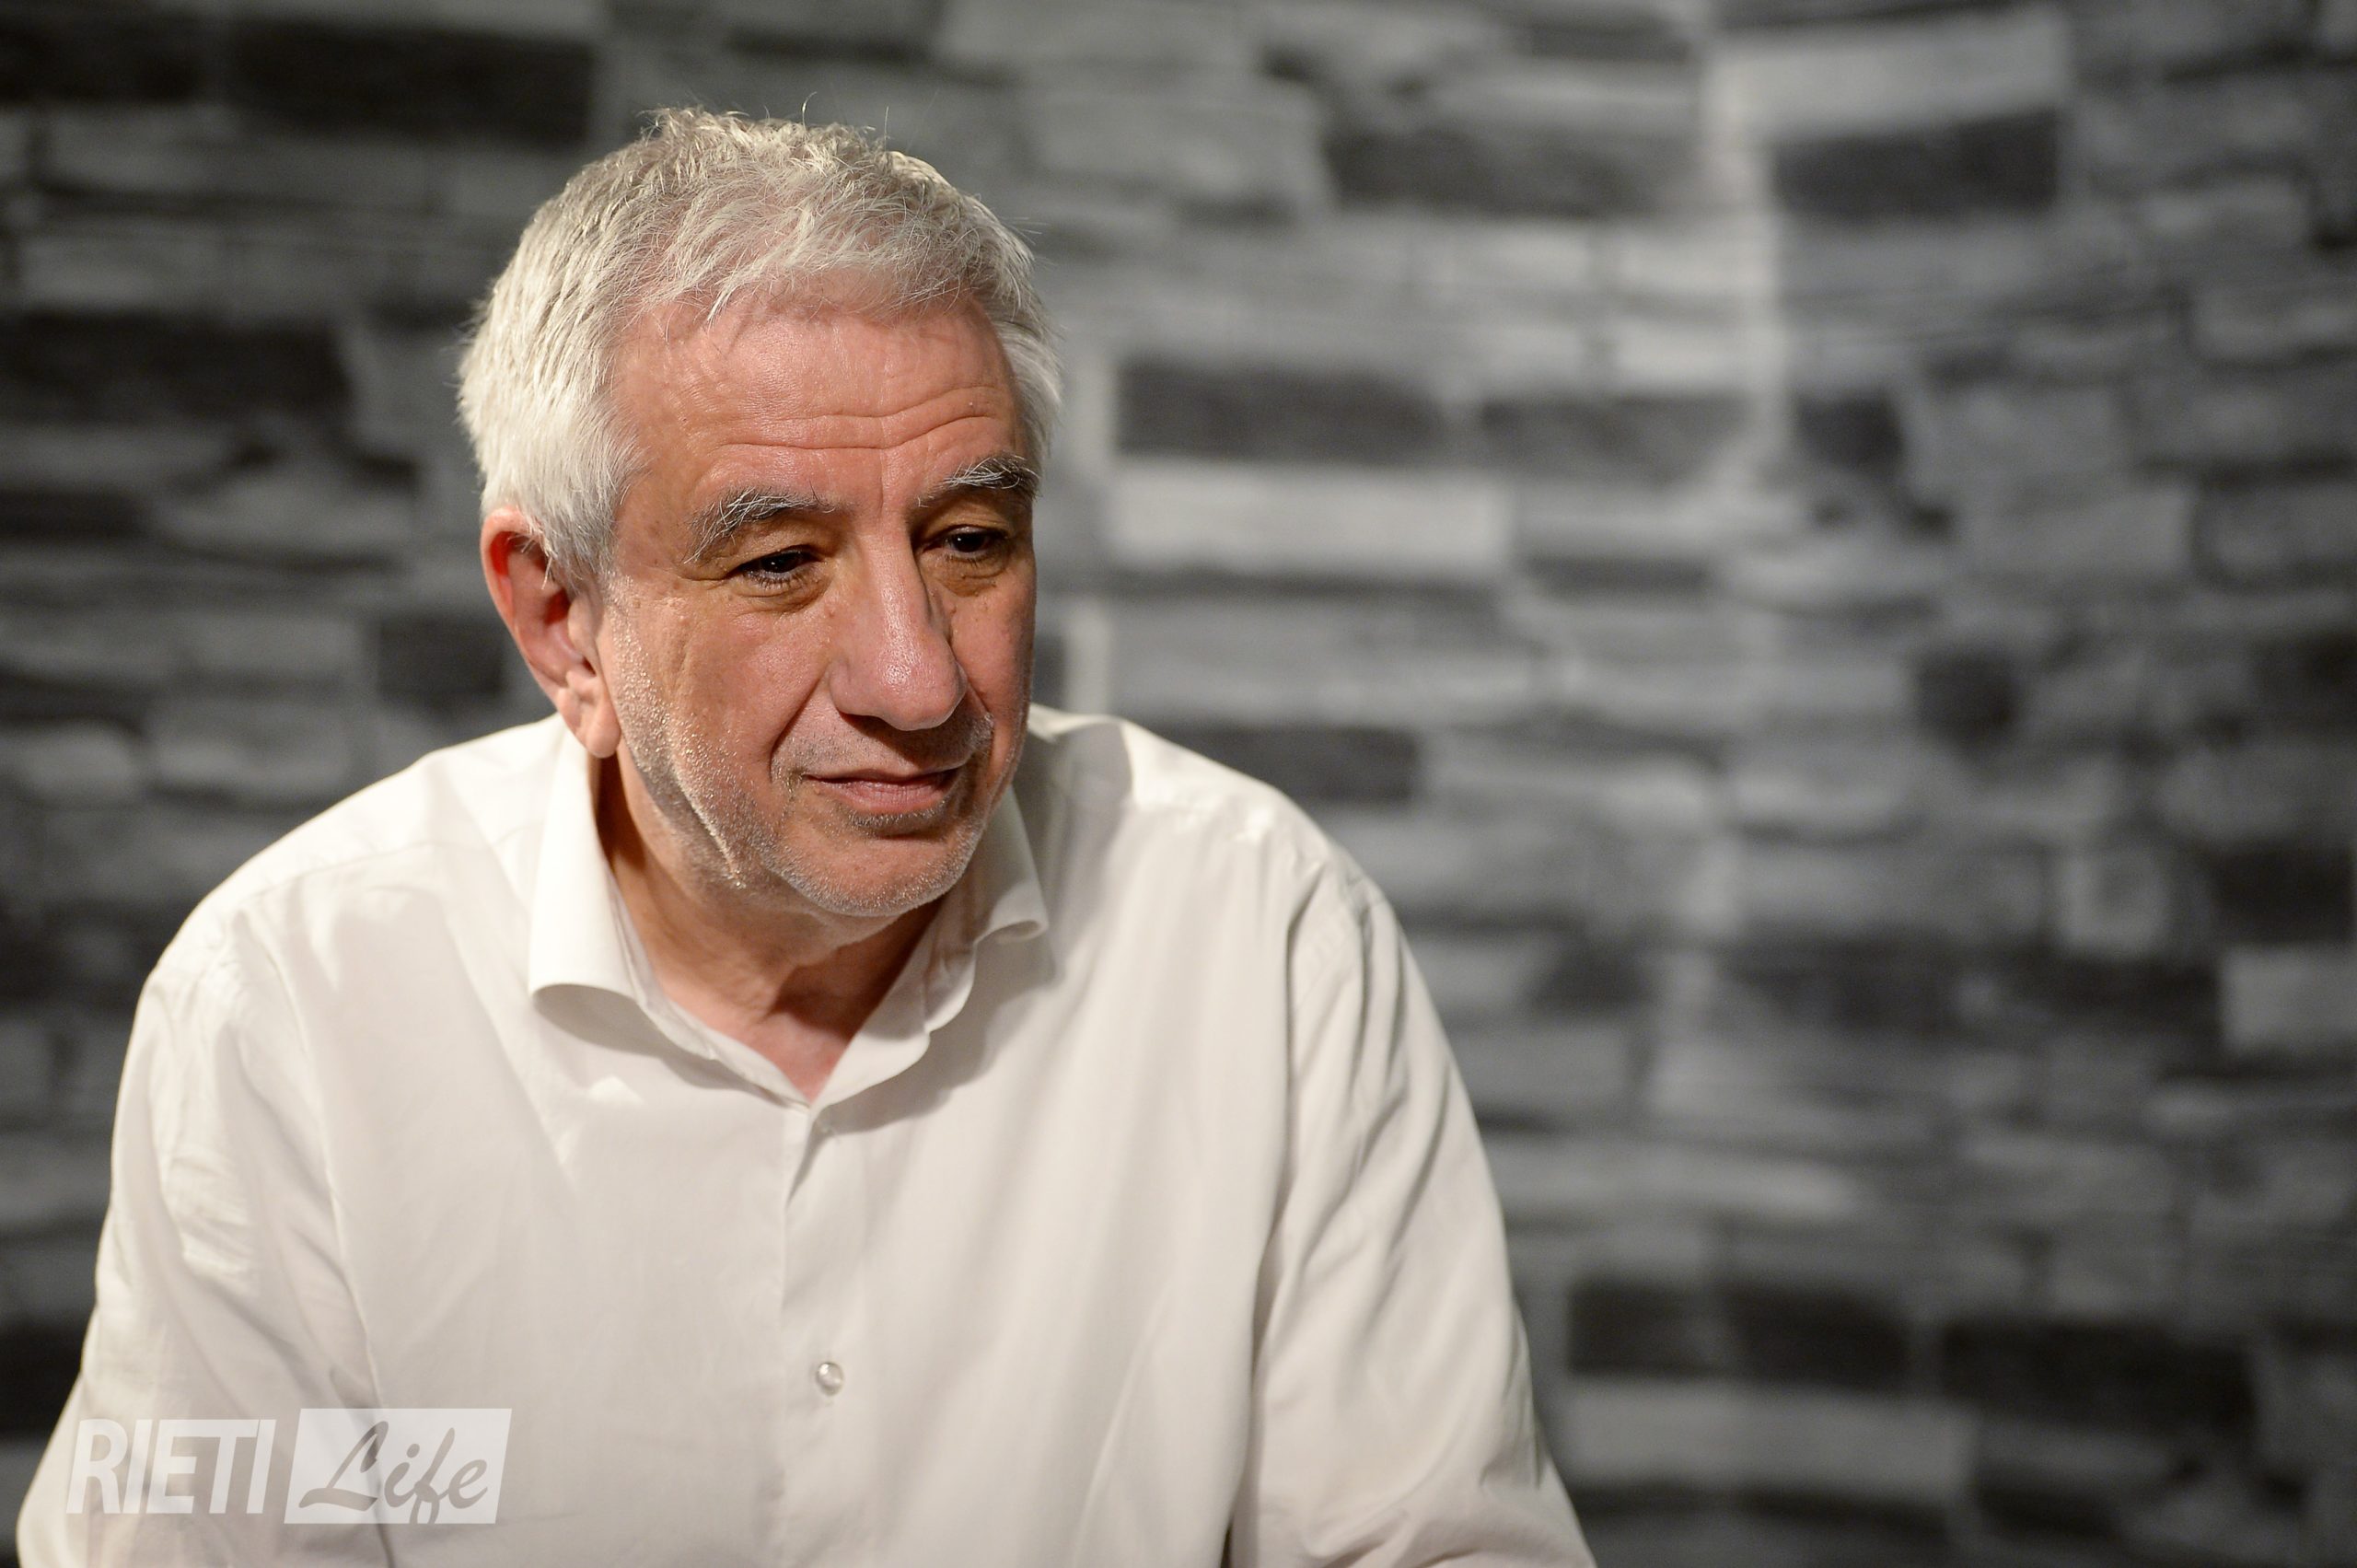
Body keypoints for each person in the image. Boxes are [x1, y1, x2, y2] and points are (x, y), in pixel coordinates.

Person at [17, 110, 1592, 1566]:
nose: (920, 682)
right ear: (561, 620)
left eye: (969, 539)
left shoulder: (1263, 935)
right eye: (780, 562)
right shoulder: (293, 1004)